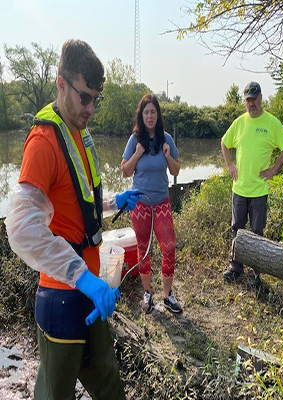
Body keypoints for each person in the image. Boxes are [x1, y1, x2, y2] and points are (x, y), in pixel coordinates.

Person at [5, 39, 141, 400]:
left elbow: (79, 201)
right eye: (85, 97)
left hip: (89, 288)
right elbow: (21, 228)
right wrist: (82, 277)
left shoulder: (79, 133)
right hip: (62, 295)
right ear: (61, 84)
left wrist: (114, 201)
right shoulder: (44, 142)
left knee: (109, 385)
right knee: (55, 393)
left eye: (97, 99)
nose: (92, 108)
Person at [221, 81, 283, 287]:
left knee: (257, 233)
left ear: (261, 98)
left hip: (259, 190)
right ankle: (235, 267)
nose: (251, 103)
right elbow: (224, 143)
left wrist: (275, 168)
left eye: (254, 99)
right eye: (248, 100)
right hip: (239, 188)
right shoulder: (239, 122)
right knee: (237, 229)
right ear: (244, 101)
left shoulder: (271, 123)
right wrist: (229, 165)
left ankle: (255, 273)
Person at [121, 93, 182, 314]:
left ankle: (167, 296)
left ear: (158, 115)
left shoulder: (166, 139)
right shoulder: (134, 140)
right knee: (143, 249)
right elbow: (126, 171)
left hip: (162, 202)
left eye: (153, 112)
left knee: (169, 247)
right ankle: (148, 294)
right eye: (146, 112)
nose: (149, 116)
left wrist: (168, 156)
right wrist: (137, 154)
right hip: (141, 205)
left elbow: (176, 170)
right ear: (141, 115)